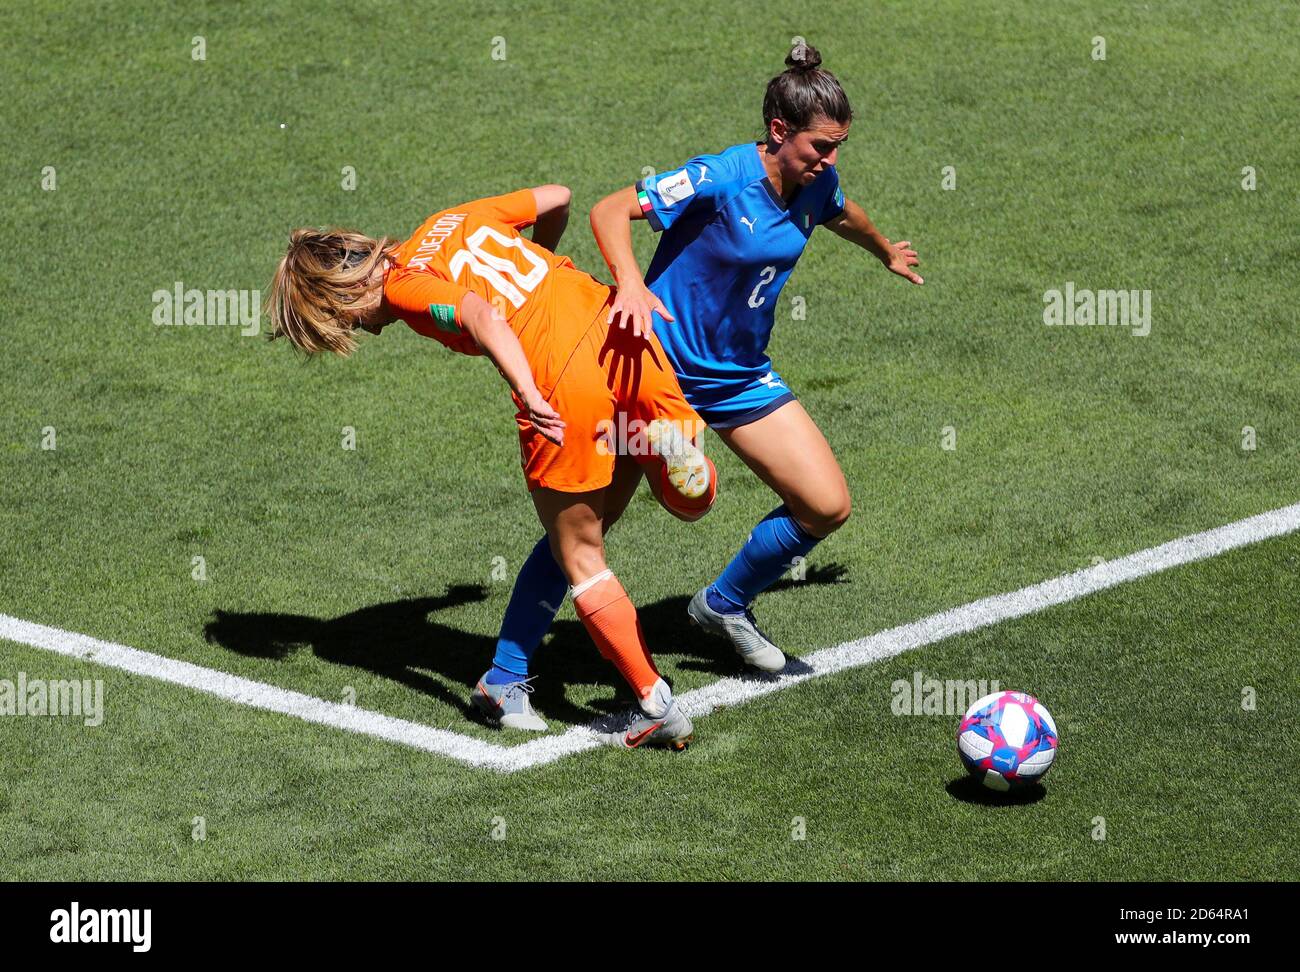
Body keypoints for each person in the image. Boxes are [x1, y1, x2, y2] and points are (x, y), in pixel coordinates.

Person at [489, 44, 922, 693]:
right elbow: (612, 210)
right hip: (653, 371)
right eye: (821, 147)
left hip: (738, 373)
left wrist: (885, 249)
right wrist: (630, 283)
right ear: (780, 131)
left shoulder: (816, 181)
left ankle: (721, 607)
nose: (830, 161)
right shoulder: (720, 177)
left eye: (837, 147)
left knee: (826, 504)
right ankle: (507, 670)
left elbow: (840, 211)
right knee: (587, 526)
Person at [266, 185, 718, 749]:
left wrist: (527, 387)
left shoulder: (406, 287)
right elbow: (558, 197)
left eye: (343, 320)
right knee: (681, 500)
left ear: (344, 289)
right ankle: (506, 675)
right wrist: (542, 265)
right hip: (615, 326)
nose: (358, 329)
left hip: (560, 382)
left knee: (579, 552)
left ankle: (653, 702)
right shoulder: (448, 218)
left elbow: (480, 313)